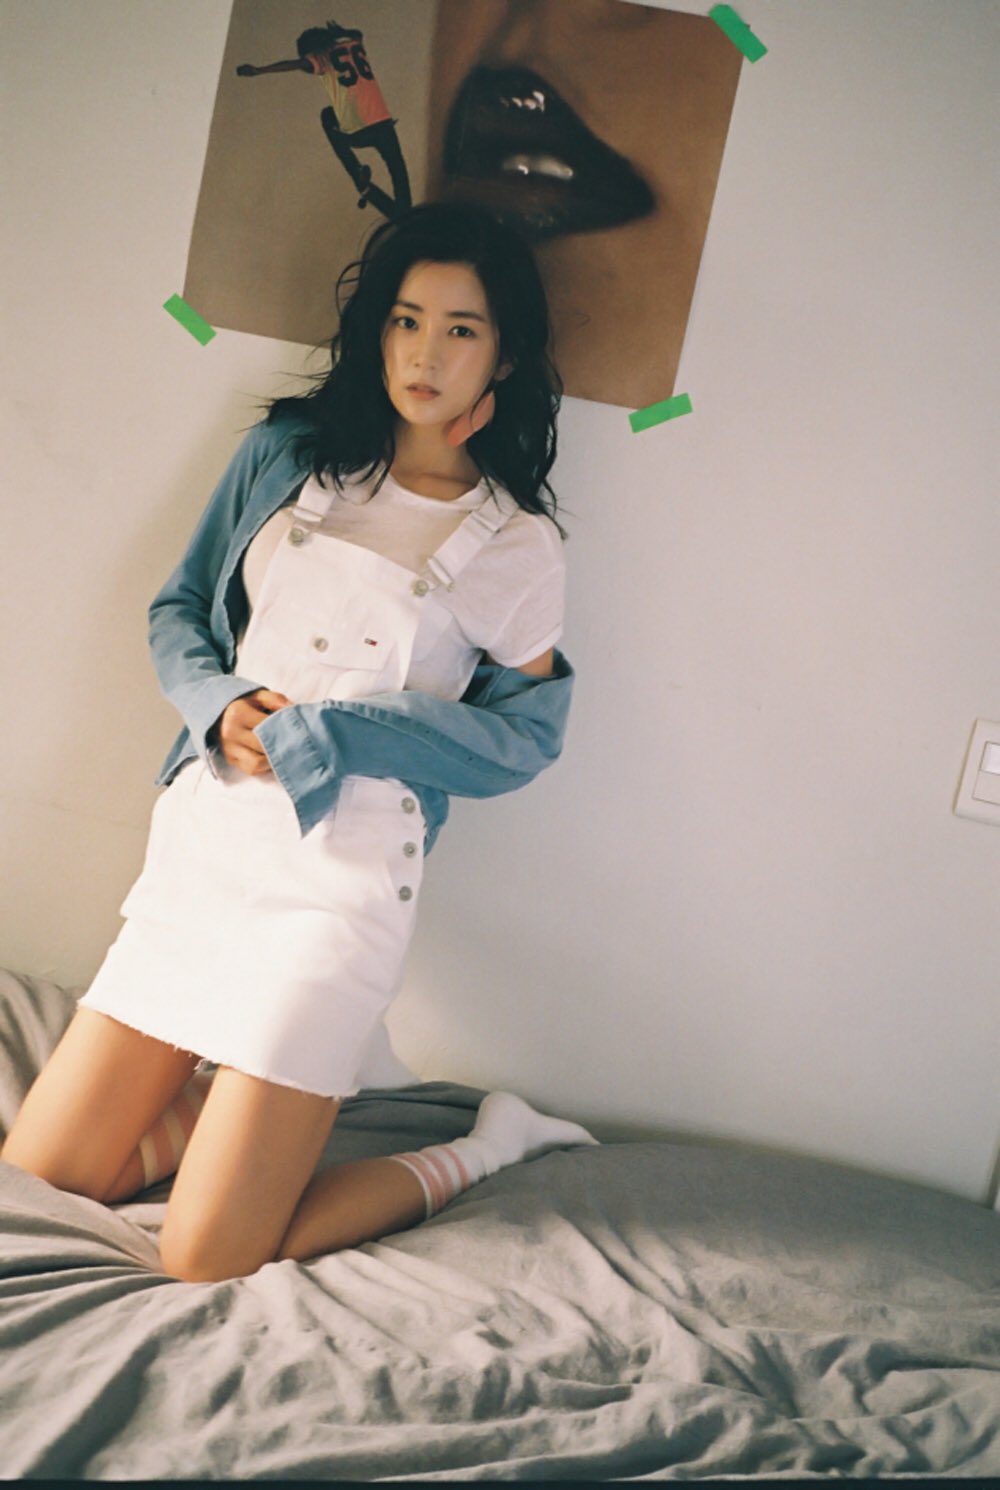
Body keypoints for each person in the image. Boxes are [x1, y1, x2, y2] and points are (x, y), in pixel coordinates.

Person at [2, 201, 597, 1283]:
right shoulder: (286, 456)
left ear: (504, 353)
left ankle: (488, 1143)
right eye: (406, 319)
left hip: (341, 887)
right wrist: (217, 701)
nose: (424, 354)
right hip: (209, 847)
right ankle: (241, 1101)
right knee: (43, 1173)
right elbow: (179, 609)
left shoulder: (517, 544)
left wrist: (342, 730)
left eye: (461, 329)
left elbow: (525, 740)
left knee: (204, 1255)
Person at [238, 22, 412, 218]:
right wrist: (342, 32)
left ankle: (356, 172)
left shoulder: (320, 57)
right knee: (398, 169)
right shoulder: (354, 44)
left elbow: (295, 64)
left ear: (311, 52)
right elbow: (358, 33)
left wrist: (260, 70)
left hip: (358, 132)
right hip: (384, 124)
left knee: (327, 115)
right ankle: (405, 213)